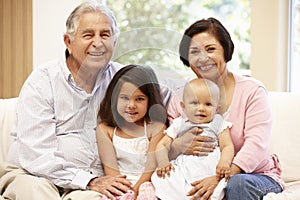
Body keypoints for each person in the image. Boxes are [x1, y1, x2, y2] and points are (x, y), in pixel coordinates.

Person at [0, 1, 180, 200]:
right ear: (68, 42)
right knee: (38, 192)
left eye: (105, 35)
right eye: (88, 35)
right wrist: (88, 181)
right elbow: (36, 156)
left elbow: (174, 97)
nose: (98, 42)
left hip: (92, 185)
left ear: (115, 42)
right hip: (34, 175)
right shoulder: (42, 81)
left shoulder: (123, 79)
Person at [168, 17, 285, 200]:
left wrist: (221, 177)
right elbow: (166, 143)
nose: (203, 58)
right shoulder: (179, 97)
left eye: (210, 49)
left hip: (253, 176)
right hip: (195, 179)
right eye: (194, 52)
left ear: (226, 50)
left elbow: (257, 144)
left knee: (237, 184)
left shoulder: (252, 91)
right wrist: (178, 146)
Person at [151, 78, 234, 200]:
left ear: (217, 109)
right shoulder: (179, 123)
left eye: (208, 104)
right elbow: (162, 145)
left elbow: (227, 145)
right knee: (163, 178)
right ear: (183, 107)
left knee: (218, 189)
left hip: (209, 167)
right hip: (184, 168)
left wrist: (224, 162)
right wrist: (163, 161)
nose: (201, 108)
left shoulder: (218, 123)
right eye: (194, 103)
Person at [96, 64, 167, 199]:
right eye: (124, 98)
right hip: (118, 185)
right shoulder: (105, 130)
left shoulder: (156, 128)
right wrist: (125, 193)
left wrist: (135, 192)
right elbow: (111, 172)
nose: (131, 105)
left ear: (150, 100)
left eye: (139, 99)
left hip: (146, 184)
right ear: (114, 98)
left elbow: (150, 169)